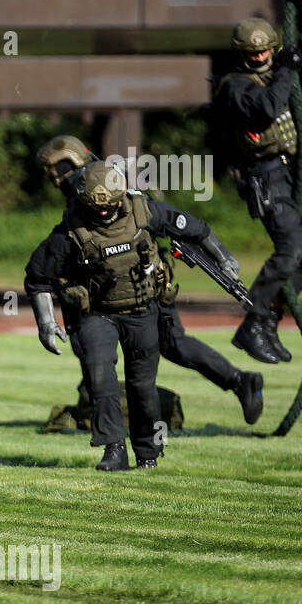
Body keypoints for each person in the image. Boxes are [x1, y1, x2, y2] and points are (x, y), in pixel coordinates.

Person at [24, 161, 243, 470]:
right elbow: (38, 278)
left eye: (109, 207)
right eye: (94, 208)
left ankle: (148, 454)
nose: (102, 213)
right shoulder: (70, 232)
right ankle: (114, 450)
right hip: (95, 315)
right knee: (100, 375)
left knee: (142, 387)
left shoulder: (145, 212)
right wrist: (46, 323)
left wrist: (224, 258)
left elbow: (195, 228)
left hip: (142, 311)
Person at [35, 136, 263, 425]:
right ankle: (104, 412)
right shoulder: (91, 185)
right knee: (103, 344)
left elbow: (150, 214)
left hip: (141, 281)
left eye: (53, 170)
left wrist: (220, 256)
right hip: (113, 286)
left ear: (69, 162)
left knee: (171, 344)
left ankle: (239, 381)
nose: (51, 179)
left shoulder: (97, 184)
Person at [212, 0, 302, 363]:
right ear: (243, 53)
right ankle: (253, 321)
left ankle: (267, 319)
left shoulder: (281, 67)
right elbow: (264, 110)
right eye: (254, 54)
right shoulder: (234, 87)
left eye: (267, 52)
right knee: (290, 247)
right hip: (264, 176)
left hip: (297, 172)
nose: (261, 57)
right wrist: (285, 69)